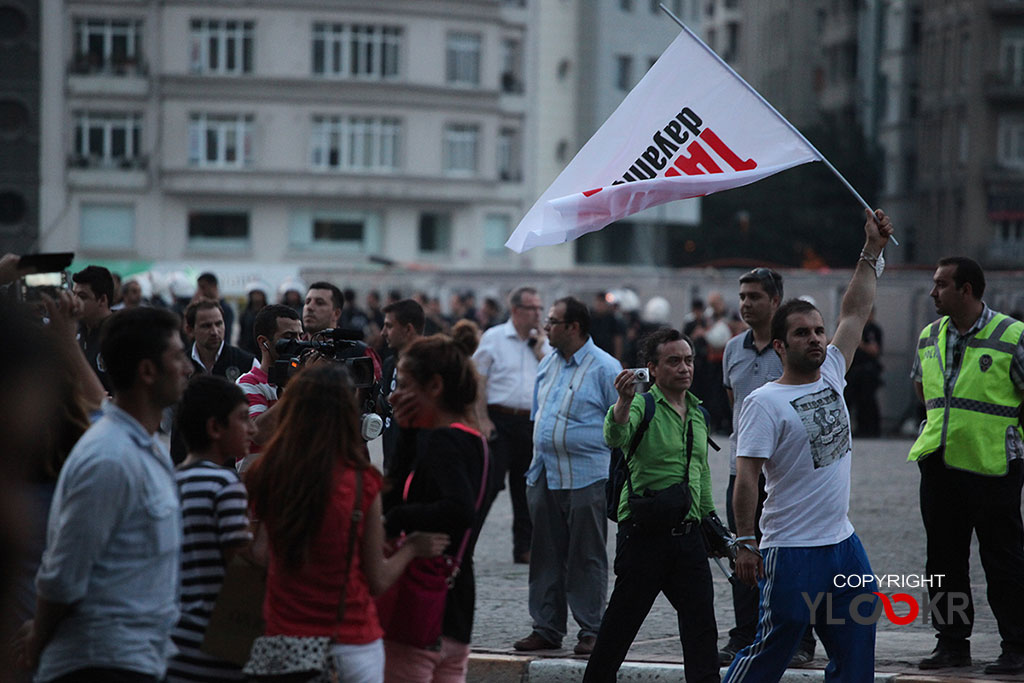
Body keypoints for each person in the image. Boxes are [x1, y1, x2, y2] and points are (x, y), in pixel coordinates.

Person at [724, 209, 894, 683]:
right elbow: (747, 477)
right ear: (780, 346)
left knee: (858, 643)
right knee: (773, 648)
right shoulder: (765, 402)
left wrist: (871, 250)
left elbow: (856, 310)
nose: (816, 339)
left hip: (843, 544)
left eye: (818, 330)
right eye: (802, 333)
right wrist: (744, 542)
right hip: (791, 550)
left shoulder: (834, 372)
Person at [15, 306, 191, 682]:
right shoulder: (109, 459)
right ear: (147, 372)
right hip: (100, 663)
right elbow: (64, 574)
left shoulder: (141, 447)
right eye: (177, 357)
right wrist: (40, 638)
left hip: (136, 659)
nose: (188, 367)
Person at [247, 364, 449, 683]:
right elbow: (378, 578)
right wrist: (411, 548)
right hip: (352, 640)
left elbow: (260, 555)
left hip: (285, 637)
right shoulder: (362, 482)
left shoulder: (268, 473)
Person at [583, 328, 720, 683]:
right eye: (673, 361)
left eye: (688, 360)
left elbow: (700, 473)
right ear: (652, 369)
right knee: (618, 630)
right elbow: (613, 437)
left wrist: (712, 521)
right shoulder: (643, 405)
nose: (684, 368)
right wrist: (624, 401)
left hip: (688, 540)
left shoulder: (698, 413)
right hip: (644, 538)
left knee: (702, 629)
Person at [908, 256, 1024, 674]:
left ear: (967, 290)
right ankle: (951, 643)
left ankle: (1017, 646)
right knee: (942, 559)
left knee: (1004, 558)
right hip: (939, 465)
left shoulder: (1012, 335)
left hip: (994, 466)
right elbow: (922, 391)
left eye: (941, 285)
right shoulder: (928, 336)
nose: (933, 292)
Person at [718, 268, 816, 667]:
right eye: (742, 296)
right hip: (742, 471)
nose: (745, 304)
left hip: (787, 476)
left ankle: (800, 640)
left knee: (791, 558)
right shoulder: (731, 349)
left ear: (776, 302)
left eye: (755, 296)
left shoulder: (791, 348)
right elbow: (735, 405)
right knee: (742, 552)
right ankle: (746, 634)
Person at [513, 297, 619, 656]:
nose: (546, 327)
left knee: (587, 555)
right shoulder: (547, 363)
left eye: (553, 321)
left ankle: (591, 629)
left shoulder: (605, 367)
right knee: (544, 554)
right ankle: (546, 627)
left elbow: (621, 421)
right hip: (544, 472)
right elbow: (539, 416)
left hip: (586, 475)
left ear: (573, 327)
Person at [382, 335, 490, 682]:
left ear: (435, 386)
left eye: (404, 385)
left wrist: (395, 521)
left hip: (422, 605)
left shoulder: (444, 440)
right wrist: (408, 433)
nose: (393, 395)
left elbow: (458, 510)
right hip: (454, 611)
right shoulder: (471, 439)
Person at [166, 376, 255, 683]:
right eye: (243, 419)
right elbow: (242, 570)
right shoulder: (224, 484)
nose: (252, 429)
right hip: (216, 649)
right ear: (215, 428)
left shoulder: (171, 480)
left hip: (175, 644)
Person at [472, 286, 551, 563]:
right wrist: (482, 419)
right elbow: (478, 380)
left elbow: (555, 377)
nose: (539, 314)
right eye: (533, 308)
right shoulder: (494, 338)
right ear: (516, 311)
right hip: (499, 419)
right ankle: (467, 542)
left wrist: (541, 350)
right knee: (489, 484)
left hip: (530, 422)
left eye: (541, 308)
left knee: (526, 488)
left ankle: (524, 547)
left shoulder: (545, 343)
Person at [236, 304, 302, 471]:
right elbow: (259, 433)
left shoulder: (305, 382)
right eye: (289, 337)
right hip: (259, 484)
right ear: (264, 342)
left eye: (300, 336)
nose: (298, 344)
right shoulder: (248, 383)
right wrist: (300, 386)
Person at [379, 298, 425, 475]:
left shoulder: (431, 364)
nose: (383, 332)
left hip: (418, 466)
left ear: (408, 329)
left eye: (389, 326)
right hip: (391, 462)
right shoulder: (390, 363)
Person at [183, 299, 256, 382]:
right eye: (206, 326)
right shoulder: (181, 365)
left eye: (218, 324)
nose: (214, 331)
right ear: (190, 330)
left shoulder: (248, 363)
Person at [72, 264, 115, 391]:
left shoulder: (120, 334)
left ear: (102, 300)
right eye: (73, 294)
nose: (74, 301)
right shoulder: (73, 330)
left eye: (82, 296)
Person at [845, 309, 883, 437]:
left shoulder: (873, 330)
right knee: (850, 399)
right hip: (853, 371)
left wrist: (858, 343)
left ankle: (870, 430)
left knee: (867, 401)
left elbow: (874, 350)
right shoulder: (854, 329)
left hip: (868, 372)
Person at [196, 272, 235, 346]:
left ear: (213, 286)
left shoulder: (226, 309)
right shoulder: (199, 307)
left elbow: (226, 337)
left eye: (203, 287)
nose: (200, 291)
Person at [238, 282, 269, 356]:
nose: (257, 297)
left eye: (259, 294)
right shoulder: (245, 314)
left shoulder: (268, 313)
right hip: (247, 350)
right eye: (255, 294)